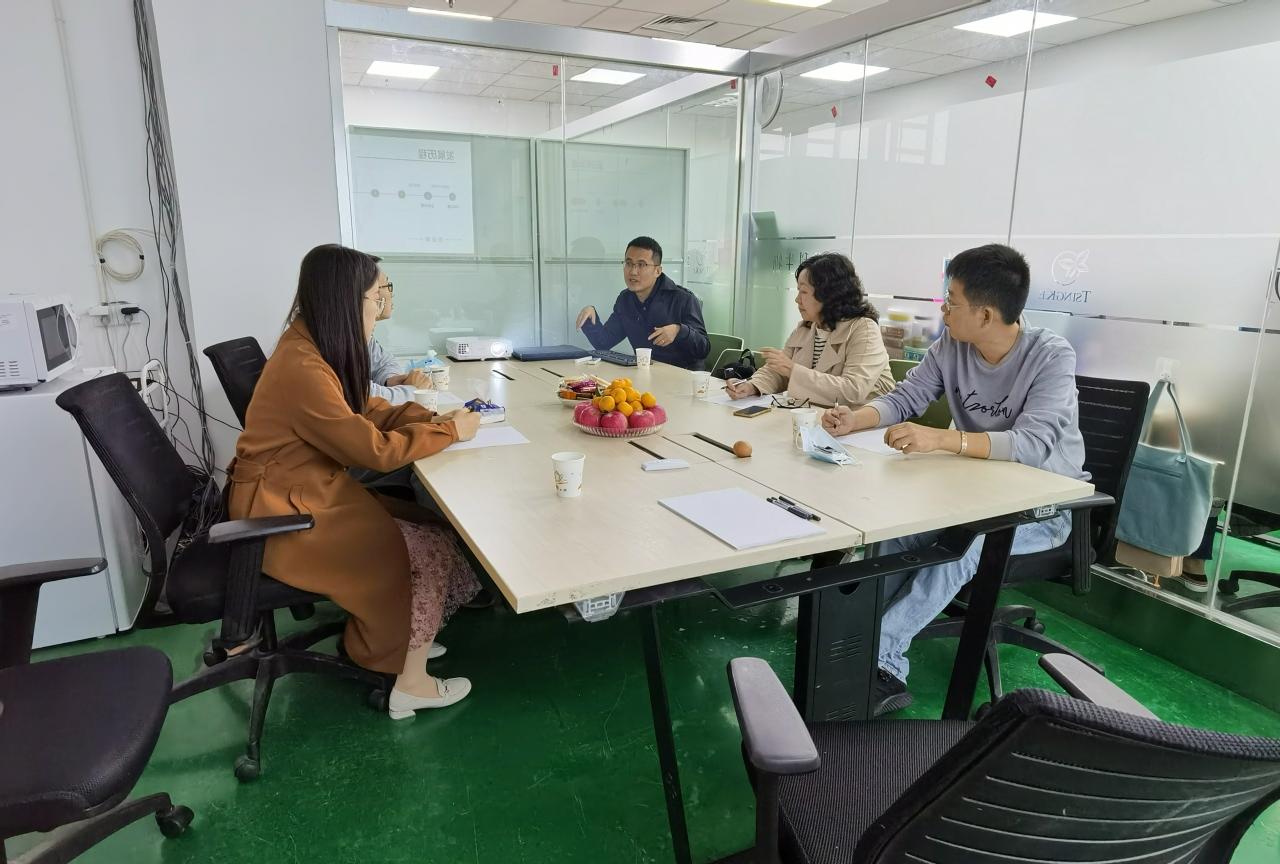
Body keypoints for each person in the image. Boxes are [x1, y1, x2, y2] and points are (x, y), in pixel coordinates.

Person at [821, 244, 1088, 716]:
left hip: (1042, 508)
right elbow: (906, 398)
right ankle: (859, 639)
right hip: (972, 491)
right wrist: (855, 419)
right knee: (895, 527)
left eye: (951, 301)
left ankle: (883, 661)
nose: (943, 310)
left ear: (985, 314)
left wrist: (942, 440)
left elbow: (1032, 444)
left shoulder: (1050, 356)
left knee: (968, 542)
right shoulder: (952, 346)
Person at [227, 243, 484, 720]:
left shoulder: (311, 345)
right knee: (422, 548)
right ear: (347, 300)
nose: (381, 306)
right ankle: (409, 683)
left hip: (303, 492)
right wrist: (449, 432)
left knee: (426, 524)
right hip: (281, 513)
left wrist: (430, 418)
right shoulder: (303, 367)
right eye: (376, 296)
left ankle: (399, 638)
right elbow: (371, 450)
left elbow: (363, 408)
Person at [726, 252, 895, 406]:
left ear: (829, 295)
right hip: (817, 416)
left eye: (804, 292)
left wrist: (792, 370)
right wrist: (751, 386)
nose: (797, 299)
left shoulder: (864, 329)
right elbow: (779, 372)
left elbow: (852, 391)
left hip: (862, 423)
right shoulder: (806, 327)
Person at [575, 236, 710, 370]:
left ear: (657, 271)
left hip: (683, 377)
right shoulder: (625, 300)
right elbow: (603, 342)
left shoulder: (683, 299)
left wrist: (679, 331)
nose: (633, 271)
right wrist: (590, 318)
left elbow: (704, 349)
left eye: (641, 265)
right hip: (644, 375)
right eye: (629, 263)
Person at [368, 280, 431, 406]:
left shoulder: (363, 337)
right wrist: (412, 391)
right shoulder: (336, 343)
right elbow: (359, 396)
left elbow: (385, 363)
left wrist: (391, 380)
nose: (392, 294)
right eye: (376, 298)